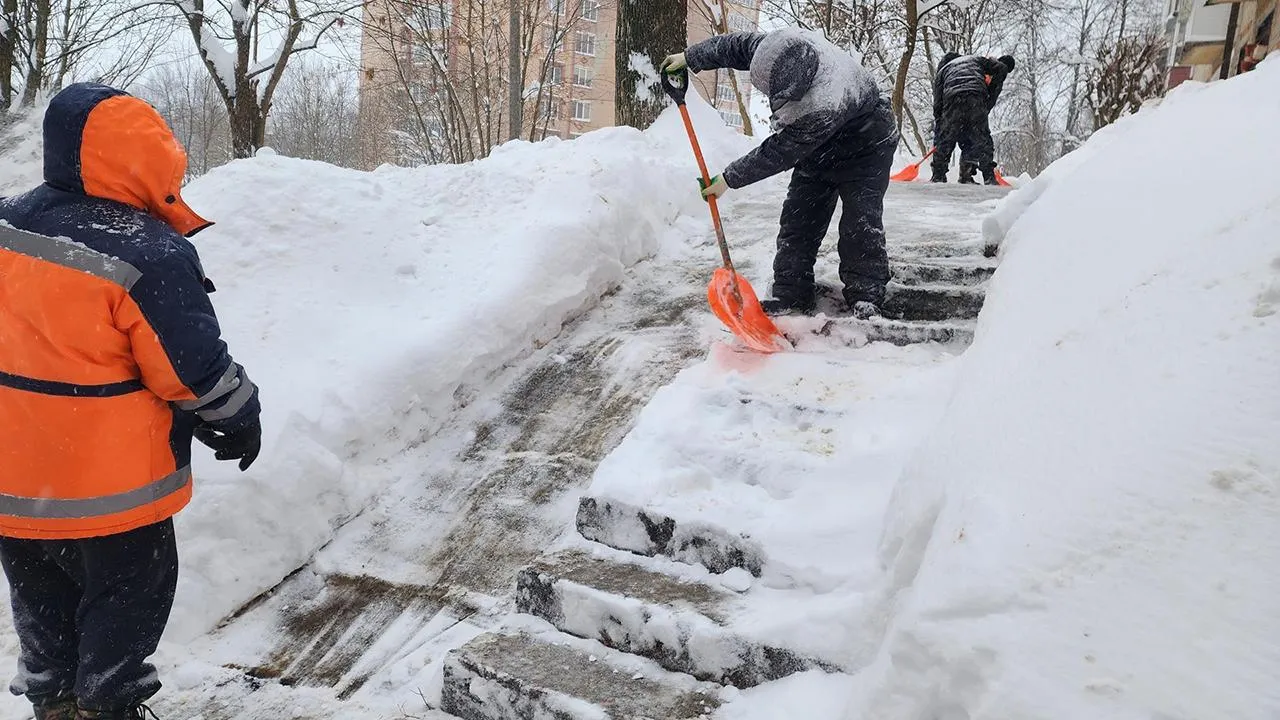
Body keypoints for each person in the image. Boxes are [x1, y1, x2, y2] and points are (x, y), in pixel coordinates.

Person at [0, 82, 262, 720]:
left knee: (41, 603)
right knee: (126, 601)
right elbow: (190, 370)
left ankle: (54, 704)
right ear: (150, 159)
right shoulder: (147, 253)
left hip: (14, 484)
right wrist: (238, 416)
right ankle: (106, 708)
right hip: (110, 492)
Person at [661, 27, 898, 318]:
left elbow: (778, 152)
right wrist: (689, 57)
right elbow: (732, 46)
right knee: (799, 217)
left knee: (860, 222)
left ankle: (866, 294)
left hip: (867, 143)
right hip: (816, 146)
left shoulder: (823, 103)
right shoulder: (773, 49)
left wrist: (728, 178)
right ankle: (791, 293)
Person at [930, 52, 1016, 185]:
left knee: (946, 139)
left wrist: (941, 129)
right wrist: (987, 102)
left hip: (952, 98)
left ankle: (938, 176)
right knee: (980, 138)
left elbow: (938, 104)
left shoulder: (943, 71)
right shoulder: (975, 60)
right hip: (975, 96)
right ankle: (981, 175)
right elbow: (1001, 68)